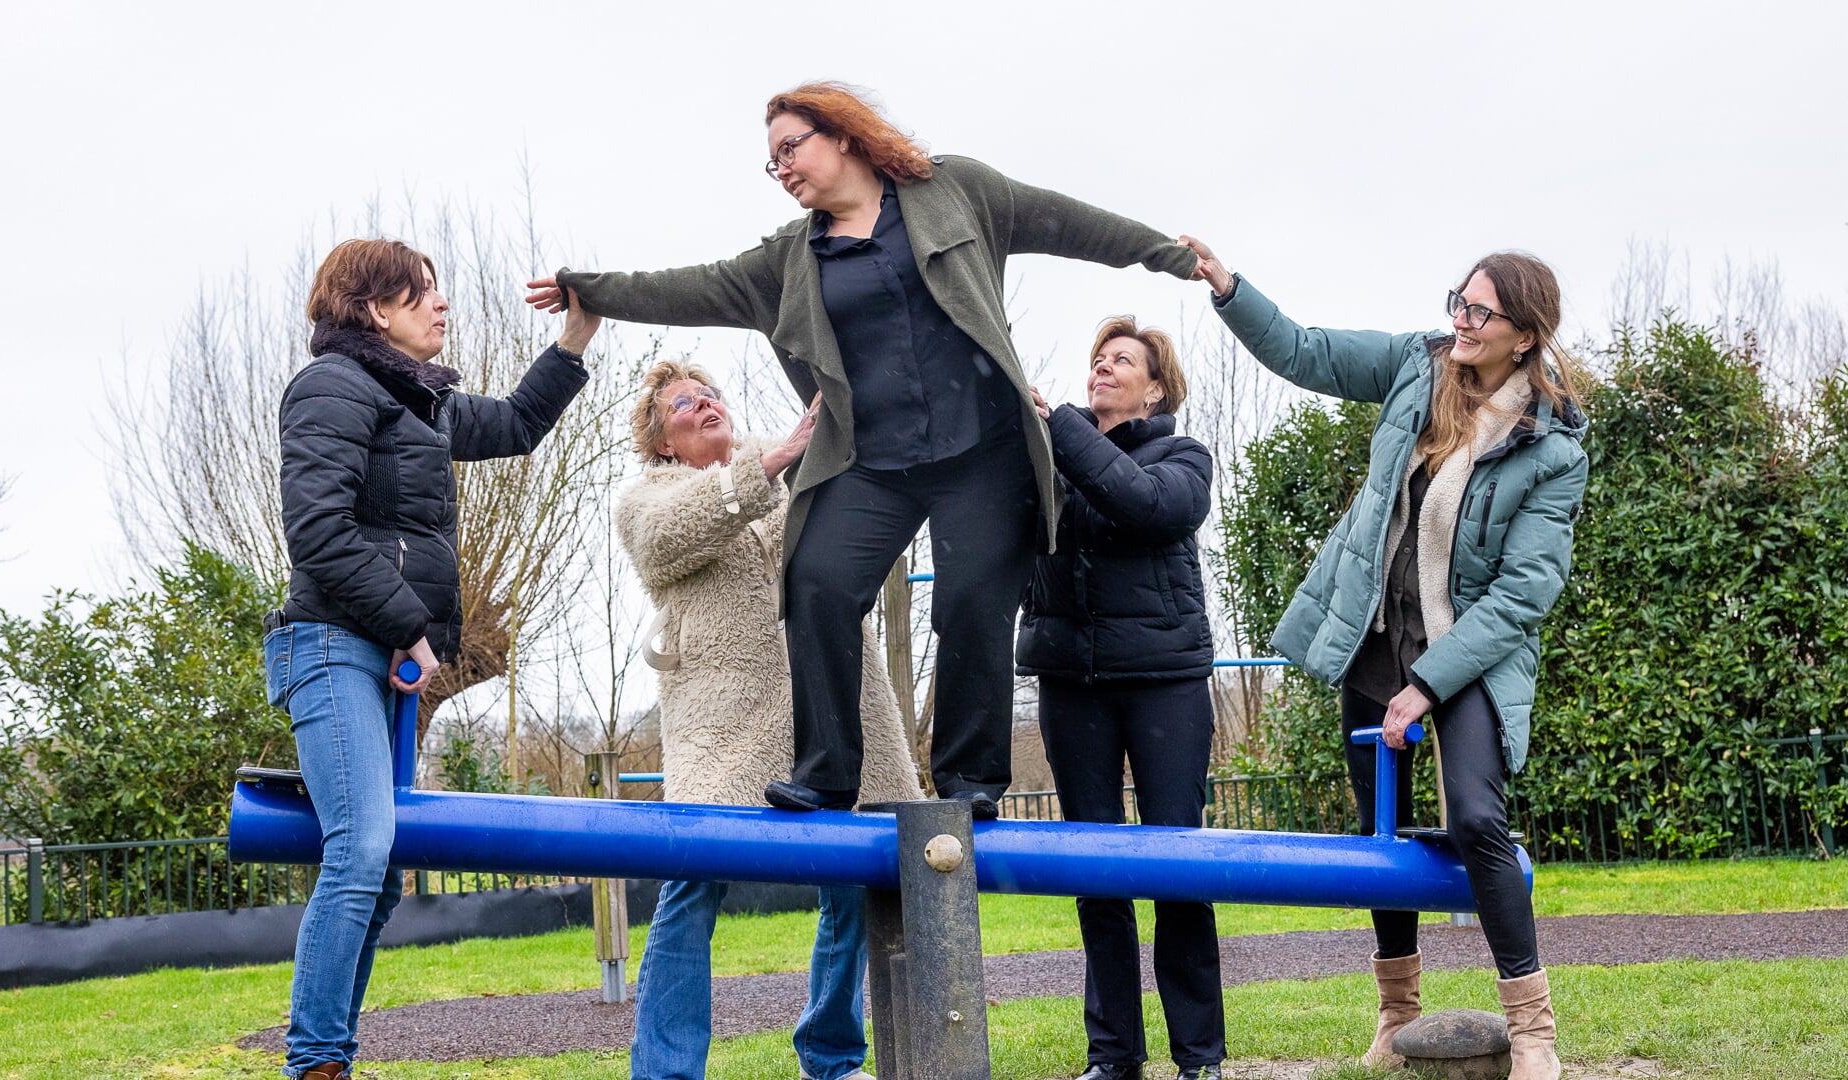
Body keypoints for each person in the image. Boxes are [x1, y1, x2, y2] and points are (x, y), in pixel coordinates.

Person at [527, 81, 1207, 818]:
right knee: (816, 581)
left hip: (982, 452)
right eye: (772, 162)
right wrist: (583, 287)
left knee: (972, 600)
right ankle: (825, 773)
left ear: (843, 136)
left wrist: (1163, 254)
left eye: (791, 148)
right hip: (869, 462)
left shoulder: (954, 192)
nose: (782, 168)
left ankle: (968, 780)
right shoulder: (786, 260)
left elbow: (1065, 219)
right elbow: (684, 287)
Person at [1190, 238, 1585, 1080]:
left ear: (1524, 335)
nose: (1460, 321)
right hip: (1375, 643)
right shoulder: (1418, 366)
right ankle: (1395, 1013)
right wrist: (1229, 288)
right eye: (1458, 301)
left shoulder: (1552, 450)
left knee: (1477, 821)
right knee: (1380, 833)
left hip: (1465, 655)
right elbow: (1304, 351)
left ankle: (1534, 1031)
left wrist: (1428, 686)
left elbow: (1524, 594)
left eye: (1480, 312)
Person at [267, 239, 594, 1080]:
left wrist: (574, 342)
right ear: (375, 311)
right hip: (333, 643)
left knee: (378, 877)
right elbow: (319, 533)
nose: (441, 308)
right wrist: (412, 626)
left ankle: (328, 1055)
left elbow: (519, 425)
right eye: (422, 296)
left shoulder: (423, 404)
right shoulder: (330, 387)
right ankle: (313, 1063)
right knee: (363, 846)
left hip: (381, 655)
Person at [615, 359, 923, 1080]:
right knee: (692, 882)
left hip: (836, 712)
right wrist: (774, 457)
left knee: (854, 882)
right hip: (725, 728)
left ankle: (833, 1053)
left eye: (711, 394)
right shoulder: (645, 499)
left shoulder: (791, 482)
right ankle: (665, 1071)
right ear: (662, 441)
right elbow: (670, 537)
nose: (705, 405)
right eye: (684, 404)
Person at [1017, 318, 1224, 1080]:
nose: (1103, 368)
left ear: (1155, 388)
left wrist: (1060, 428)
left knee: (1177, 865)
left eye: (1122, 361)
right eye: (1097, 359)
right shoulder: (1053, 457)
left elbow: (1140, 502)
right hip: (1072, 684)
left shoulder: (1182, 456)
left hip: (1165, 680)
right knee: (1095, 873)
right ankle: (1113, 1055)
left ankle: (1198, 1055)